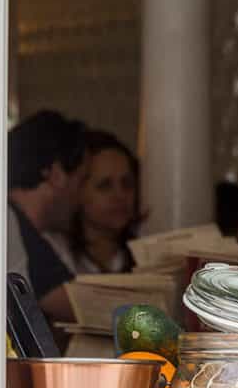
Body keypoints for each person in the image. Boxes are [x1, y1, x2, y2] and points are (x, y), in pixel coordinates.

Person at [8, 110, 88, 323]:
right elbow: (76, 305)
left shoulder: (26, 230)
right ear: (56, 174)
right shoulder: (7, 222)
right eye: (81, 181)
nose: (81, 198)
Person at [49, 130, 142, 275]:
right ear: (77, 190)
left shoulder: (146, 255)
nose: (120, 195)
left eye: (127, 184)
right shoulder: (54, 253)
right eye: (104, 185)